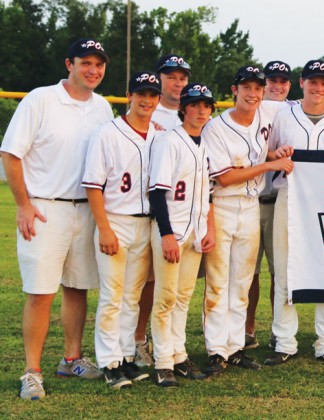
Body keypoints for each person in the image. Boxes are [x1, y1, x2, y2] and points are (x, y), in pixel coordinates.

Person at [2, 38, 112, 400]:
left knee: (78, 287)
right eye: (86, 63)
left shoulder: (103, 109)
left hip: (86, 208)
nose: (93, 70)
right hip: (45, 207)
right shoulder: (41, 98)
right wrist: (23, 204)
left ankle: (71, 358)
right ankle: (32, 371)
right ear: (69, 64)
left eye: (99, 65)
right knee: (41, 292)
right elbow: (11, 153)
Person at [200, 65, 295, 376]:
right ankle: (216, 349)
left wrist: (272, 154)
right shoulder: (216, 127)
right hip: (225, 205)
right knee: (218, 280)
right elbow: (225, 177)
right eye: (247, 88)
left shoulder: (265, 115)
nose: (253, 93)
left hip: (250, 206)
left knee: (242, 281)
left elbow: (311, 101)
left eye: (257, 88)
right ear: (234, 90)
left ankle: (235, 346)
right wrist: (271, 165)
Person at [265, 59, 324, 367]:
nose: (318, 87)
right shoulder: (282, 115)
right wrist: (277, 155)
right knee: (286, 269)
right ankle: (284, 341)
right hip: (288, 195)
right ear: (302, 83)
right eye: (312, 81)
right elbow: (266, 152)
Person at [82, 71, 161, 389]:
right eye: (141, 93)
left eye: (152, 94)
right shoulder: (108, 133)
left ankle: (126, 356)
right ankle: (108, 361)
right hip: (115, 220)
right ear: (129, 95)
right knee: (113, 296)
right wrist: (104, 229)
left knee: (132, 296)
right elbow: (93, 186)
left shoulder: (160, 135)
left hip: (145, 223)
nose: (146, 100)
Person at [148, 82, 218, 387]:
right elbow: (157, 192)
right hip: (172, 232)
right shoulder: (169, 141)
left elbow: (207, 194)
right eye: (194, 105)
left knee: (183, 298)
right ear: (183, 109)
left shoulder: (204, 144)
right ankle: (163, 362)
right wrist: (166, 234)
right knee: (165, 299)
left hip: (194, 232)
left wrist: (207, 228)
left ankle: (178, 356)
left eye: (206, 105)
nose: (201, 110)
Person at [131, 54, 195, 368]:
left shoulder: (193, 112)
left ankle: (166, 346)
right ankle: (138, 341)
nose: (178, 82)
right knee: (142, 282)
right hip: (141, 209)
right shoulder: (147, 109)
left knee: (170, 286)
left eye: (182, 77)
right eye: (171, 76)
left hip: (178, 215)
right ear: (159, 80)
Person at [245, 60, 299, 351]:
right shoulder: (252, 106)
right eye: (272, 81)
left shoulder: (293, 109)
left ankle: (279, 330)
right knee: (248, 273)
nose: (277, 86)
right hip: (251, 201)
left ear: (290, 85)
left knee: (280, 271)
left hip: (278, 199)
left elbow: (316, 98)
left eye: (283, 81)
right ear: (263, 84)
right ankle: (248, 329)